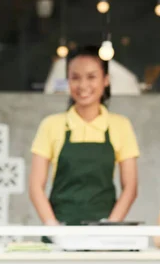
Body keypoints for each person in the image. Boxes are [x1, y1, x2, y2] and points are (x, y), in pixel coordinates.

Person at [29, 45, 139, 233]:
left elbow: (130, 187)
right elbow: (35, 186)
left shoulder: (120, 126)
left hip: (105, 234)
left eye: (91, 77)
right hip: (60, 231)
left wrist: (109, 227)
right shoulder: (51, 125)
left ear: (105, 80)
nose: (83, 86)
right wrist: (53, 227)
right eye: (75, 77)